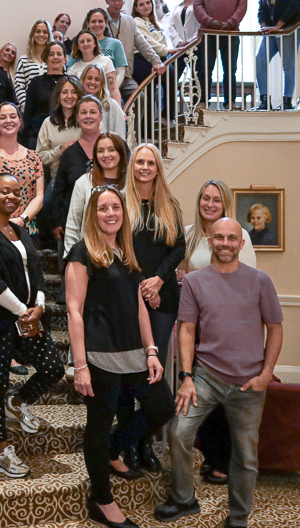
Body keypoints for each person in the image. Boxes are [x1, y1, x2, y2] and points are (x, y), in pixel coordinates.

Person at [154, 217, 283, 528]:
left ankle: (238, 518)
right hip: (206, 377)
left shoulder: (260, 281)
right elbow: (187, 330)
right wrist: (186, 376)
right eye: (219, 238)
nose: (225, 243)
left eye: (232, 238)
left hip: (249, 383)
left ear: (241, 244)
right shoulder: (196, 282)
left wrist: (267, 373)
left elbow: (275, 329)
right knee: (178, 432)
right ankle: (185, 499)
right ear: (209, 242)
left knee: (245, 457)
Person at [66, 185, 173, 528]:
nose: (110, 213)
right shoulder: (82, 253)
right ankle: (102, 500)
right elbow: (74, 311)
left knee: (162, 408)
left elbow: (139, 305)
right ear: (92, 214)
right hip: (99, 354)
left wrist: (152, 350)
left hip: (134, 353)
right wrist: (79, 365)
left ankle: (114, 449)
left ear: (123, 214)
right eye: (102, 208)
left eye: (115, 208)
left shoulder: (127, 251)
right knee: (98, 425)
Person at [0, 173, 65, 478]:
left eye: (16, 192)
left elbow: (34, 269)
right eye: (3, 192)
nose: (10, 197)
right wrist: (25, 311)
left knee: (53, 368)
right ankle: (0, 449)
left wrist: (39, 304)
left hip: (27, 317)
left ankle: (19, 400)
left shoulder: (20, 231)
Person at [176, 179, 257, 487]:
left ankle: (222, 461)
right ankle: (206, 452)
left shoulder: (239, 234)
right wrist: (182, 274)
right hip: (195, 325)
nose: (209, 204)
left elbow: (243, 282)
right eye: (205, 198)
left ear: (225, 205)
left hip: (227, 328)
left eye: (216, 200)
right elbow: (183, 273)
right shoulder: (190, 233)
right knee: (199, 390)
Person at [118, 144, 186, 472]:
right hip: (129, 298)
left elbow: (178, 248)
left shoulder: (169, 204)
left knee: (151, 376)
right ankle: (129, 445)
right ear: (132, 167)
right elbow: (116, 248)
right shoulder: (120, 202)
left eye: (151, 163)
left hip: (163, 299)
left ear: (158, 168)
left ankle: (141, 441)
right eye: (139, 162)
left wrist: (158, 281)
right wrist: (143, 285)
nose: (145, 167)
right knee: (129, 373)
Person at [193, 0, 248, 110]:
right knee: (205, 68)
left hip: (231, 33)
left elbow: (242, 3)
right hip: (208, 33)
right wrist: (211, 22)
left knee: (230, 69)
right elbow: (197, 6)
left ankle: (230, 102)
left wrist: (231, 22)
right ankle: (203, 102)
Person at [0, 103, 44, 229]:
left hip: (25, 226)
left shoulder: (34, 157)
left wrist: (22, 219)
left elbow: (39, 197)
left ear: (20, 122)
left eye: (12, 116)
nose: (8, 121)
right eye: (2, 118)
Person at [255, 0, 300, 111]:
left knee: (288, 64)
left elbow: (294, 3)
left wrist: (279, 25)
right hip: (271, 30)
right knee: (260, 60)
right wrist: (263, 24)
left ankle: (286, 102)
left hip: (289, 28)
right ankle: (264, 101)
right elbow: (261, 7)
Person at [48, 96, 103, 244]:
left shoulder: (113, 148)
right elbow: (59, 189)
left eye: (93, 112)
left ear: (101, 116)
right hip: (73, 224)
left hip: (108, 221)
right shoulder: (69, 153)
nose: (88, 116)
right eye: (83, 112)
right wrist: (57, 222)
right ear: (77, 118)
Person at [64, 132, 128, 256]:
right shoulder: (83, 183)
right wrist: (71, 258)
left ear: (120, 152)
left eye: (111, 150)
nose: (106, 155)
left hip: (124, 257)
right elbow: (73, 224)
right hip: (89, 256)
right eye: (100, 151)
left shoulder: (130, 184)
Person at [104, 0, 166, 102]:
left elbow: (142, 44)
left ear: (124, 0)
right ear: (106, 0)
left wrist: (157, 62)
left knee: (140, 99)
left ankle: (136, 122)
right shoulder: (99, 19)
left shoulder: (129, 21)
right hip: (103, 77)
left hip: (126, 76)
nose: (117, 3)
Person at [71, 9, 127, 106]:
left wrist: (106, 93)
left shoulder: (107, 58)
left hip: (105, 100)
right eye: (93, 21)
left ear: (95, 45)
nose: (97, 24)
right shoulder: (74, 67)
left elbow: (115, 85)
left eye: (100, 21)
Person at [36, 74, 82, 181]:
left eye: (74, 92)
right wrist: (60, 150)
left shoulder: (87, 120)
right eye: (64, 92)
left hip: (84, 181)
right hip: (56, 180)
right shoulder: (48, 123)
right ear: (58, 95)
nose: (69, 96)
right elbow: (39, 157)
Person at [22, 41, 67, 148]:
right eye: (51, 54)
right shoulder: (36, 82)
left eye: (59, 54)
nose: (55, 57)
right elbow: (28, 115)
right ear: (45, 59)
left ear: (65, 59)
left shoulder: (72, 82)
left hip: (66, 137)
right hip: (38, 137)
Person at [67, 29, 121, 108]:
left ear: (95, 44)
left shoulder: (106, 61)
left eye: (89, 40)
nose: (85, 44)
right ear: (78, 46)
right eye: (82, 42)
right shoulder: (74, 68)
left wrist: (119, 110)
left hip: (104, 106)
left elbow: (113, 89)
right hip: (83, 108)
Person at [131, 0, 172, 85]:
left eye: (148, 3)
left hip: (160, 57)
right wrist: (167, 51)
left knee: (171, 76)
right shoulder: (136, 21)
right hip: (143, 58)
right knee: (149, 92)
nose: (146, 6)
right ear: (136, 8)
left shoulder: (158, 24)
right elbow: (147, 42)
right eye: (141, 4)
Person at [14, 20, 52, 111]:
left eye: (45, 32)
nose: (41, 35)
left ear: (49, 35)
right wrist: (27, 106)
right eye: (38, 31)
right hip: (30, 111)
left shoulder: (54, 60)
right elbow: (19, 86)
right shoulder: (23, 60)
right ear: (33, 34)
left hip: (52, 111)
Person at [80, 65, 125, 137]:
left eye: (97, 79)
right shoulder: (77, 104)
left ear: (102, 83)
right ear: (83, 80)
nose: (92, 82)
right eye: (89, 78)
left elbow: (120, 136)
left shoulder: (112, 105)